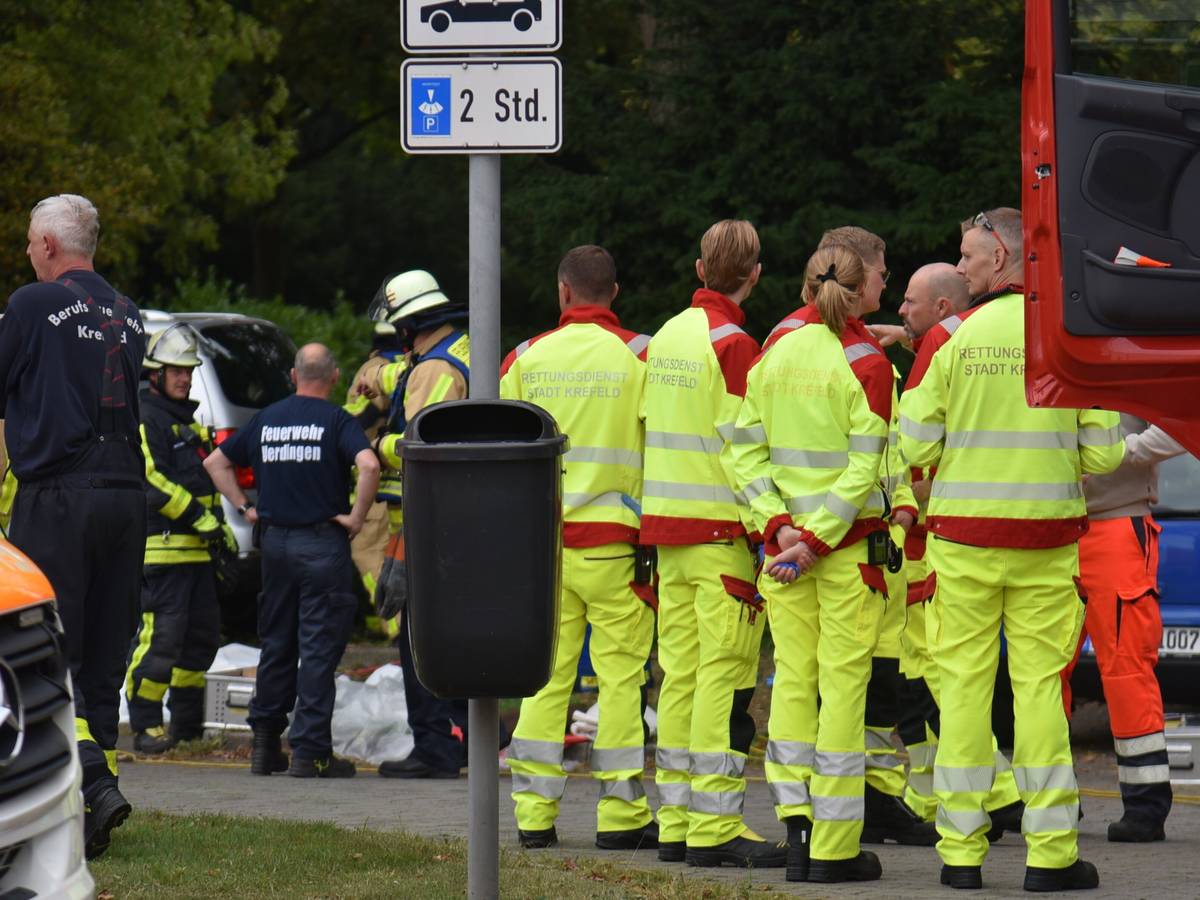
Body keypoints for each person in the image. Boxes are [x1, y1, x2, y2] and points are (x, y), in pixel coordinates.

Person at [897, 208, 1123, 891]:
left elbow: (912, 445)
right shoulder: (1066, 334)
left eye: (968, 255)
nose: (961, 267)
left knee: (962, 695)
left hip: (962, 543)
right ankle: (1051, 855)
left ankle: (961, 856)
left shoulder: (947, 337)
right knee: (1037, 698)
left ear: (1002, 256)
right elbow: (1105, 451)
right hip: (1046, 542)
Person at [734, 244, 893, 883]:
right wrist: (817, 539)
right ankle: (834, 847)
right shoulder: (866, 363)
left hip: (785, 555)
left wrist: (778, 530)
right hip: (843, 551)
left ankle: (796, 831)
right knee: (843, 688)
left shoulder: (774, 351)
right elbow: (866, 467)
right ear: (857, 291)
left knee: (794, 682)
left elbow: (744, 453)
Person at [0, 194, 147, 859]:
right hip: (126, 496)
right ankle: (93, 799)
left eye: (30, 242)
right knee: (102, 656)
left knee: (40, 652)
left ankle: (80, 785)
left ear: (49, 245)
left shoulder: (31, 306)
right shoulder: (128, 312)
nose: (28, 253)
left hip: (59, 496)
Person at [500, 245, 657, 851]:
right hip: (616, 547)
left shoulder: (524, 358)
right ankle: (620, 818)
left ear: (562, 292)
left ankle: (534, 815)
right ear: (613, 293)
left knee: (544, 678)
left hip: (544, 552)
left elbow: (504, 454)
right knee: (621, 678)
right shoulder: (639, 355)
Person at [641, 220, 781, 868]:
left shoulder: (666, 336)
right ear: (752, 276)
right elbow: (744, 448)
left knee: (680, 679)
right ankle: (716, 826)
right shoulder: (734, 344)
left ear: (701, 270)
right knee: (723, 682)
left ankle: (677, 819)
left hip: (668, 531)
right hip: (721, 534)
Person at [890, 264, 1024, 835]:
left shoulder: (943, 349)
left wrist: (912, 490)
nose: (898, 310)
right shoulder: (953, 345)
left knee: (945, 680)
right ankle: (967, 796)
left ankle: (992, 794)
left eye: (911, 302)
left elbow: (916, 446)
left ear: (943, 309)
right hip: (955, 544)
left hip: (933, 548)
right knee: (944, 681)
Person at [204, 343, 379, 779]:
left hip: (276, 546)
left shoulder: (267, 419)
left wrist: (246, 507)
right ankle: (311, 752)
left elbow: (215, 462)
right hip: (322, 545)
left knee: (277, 643)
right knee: (318, 648)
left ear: (292, 374)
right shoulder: (338, 420)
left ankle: (264, 746)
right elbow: (370, 465)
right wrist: (356, 518)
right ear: (335, 376)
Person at [369, 270, 474, 779]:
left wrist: (375, 448)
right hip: (468, 515)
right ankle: (469, 733)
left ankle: (433, 746)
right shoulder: (465, 350)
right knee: (459, 634)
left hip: (431, 521)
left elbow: (420, 446)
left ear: (409, 325)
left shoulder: (432, 371)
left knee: (420, 639)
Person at [1061, 418, 1184, 842]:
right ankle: (1051, 800)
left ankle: (1145, 803)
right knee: (1042, 672)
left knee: (1127, 668)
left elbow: (1185, 421)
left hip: (1114, 526)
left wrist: (1123, 454)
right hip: (1049, 528)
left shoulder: (1134, 355)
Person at [125, 324, 234, 754]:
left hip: (197, 554)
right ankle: (146, 725)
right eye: (176, 371)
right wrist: (199, 517)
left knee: (201, 639)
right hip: (163, 552)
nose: (184, 378)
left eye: (188, 371)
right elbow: (148, 478)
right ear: (155, 373)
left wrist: (220, 526)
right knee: (161, 639)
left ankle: (186, 727)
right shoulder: (144, 416)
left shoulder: (184, 419)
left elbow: (203, 478)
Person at [343, 322, 407, 630]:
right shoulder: (411, 366)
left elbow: (352, 422)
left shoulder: (373, 368)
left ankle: (396, 630)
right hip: (405, 484)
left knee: (370, 555)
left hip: (375, 487)